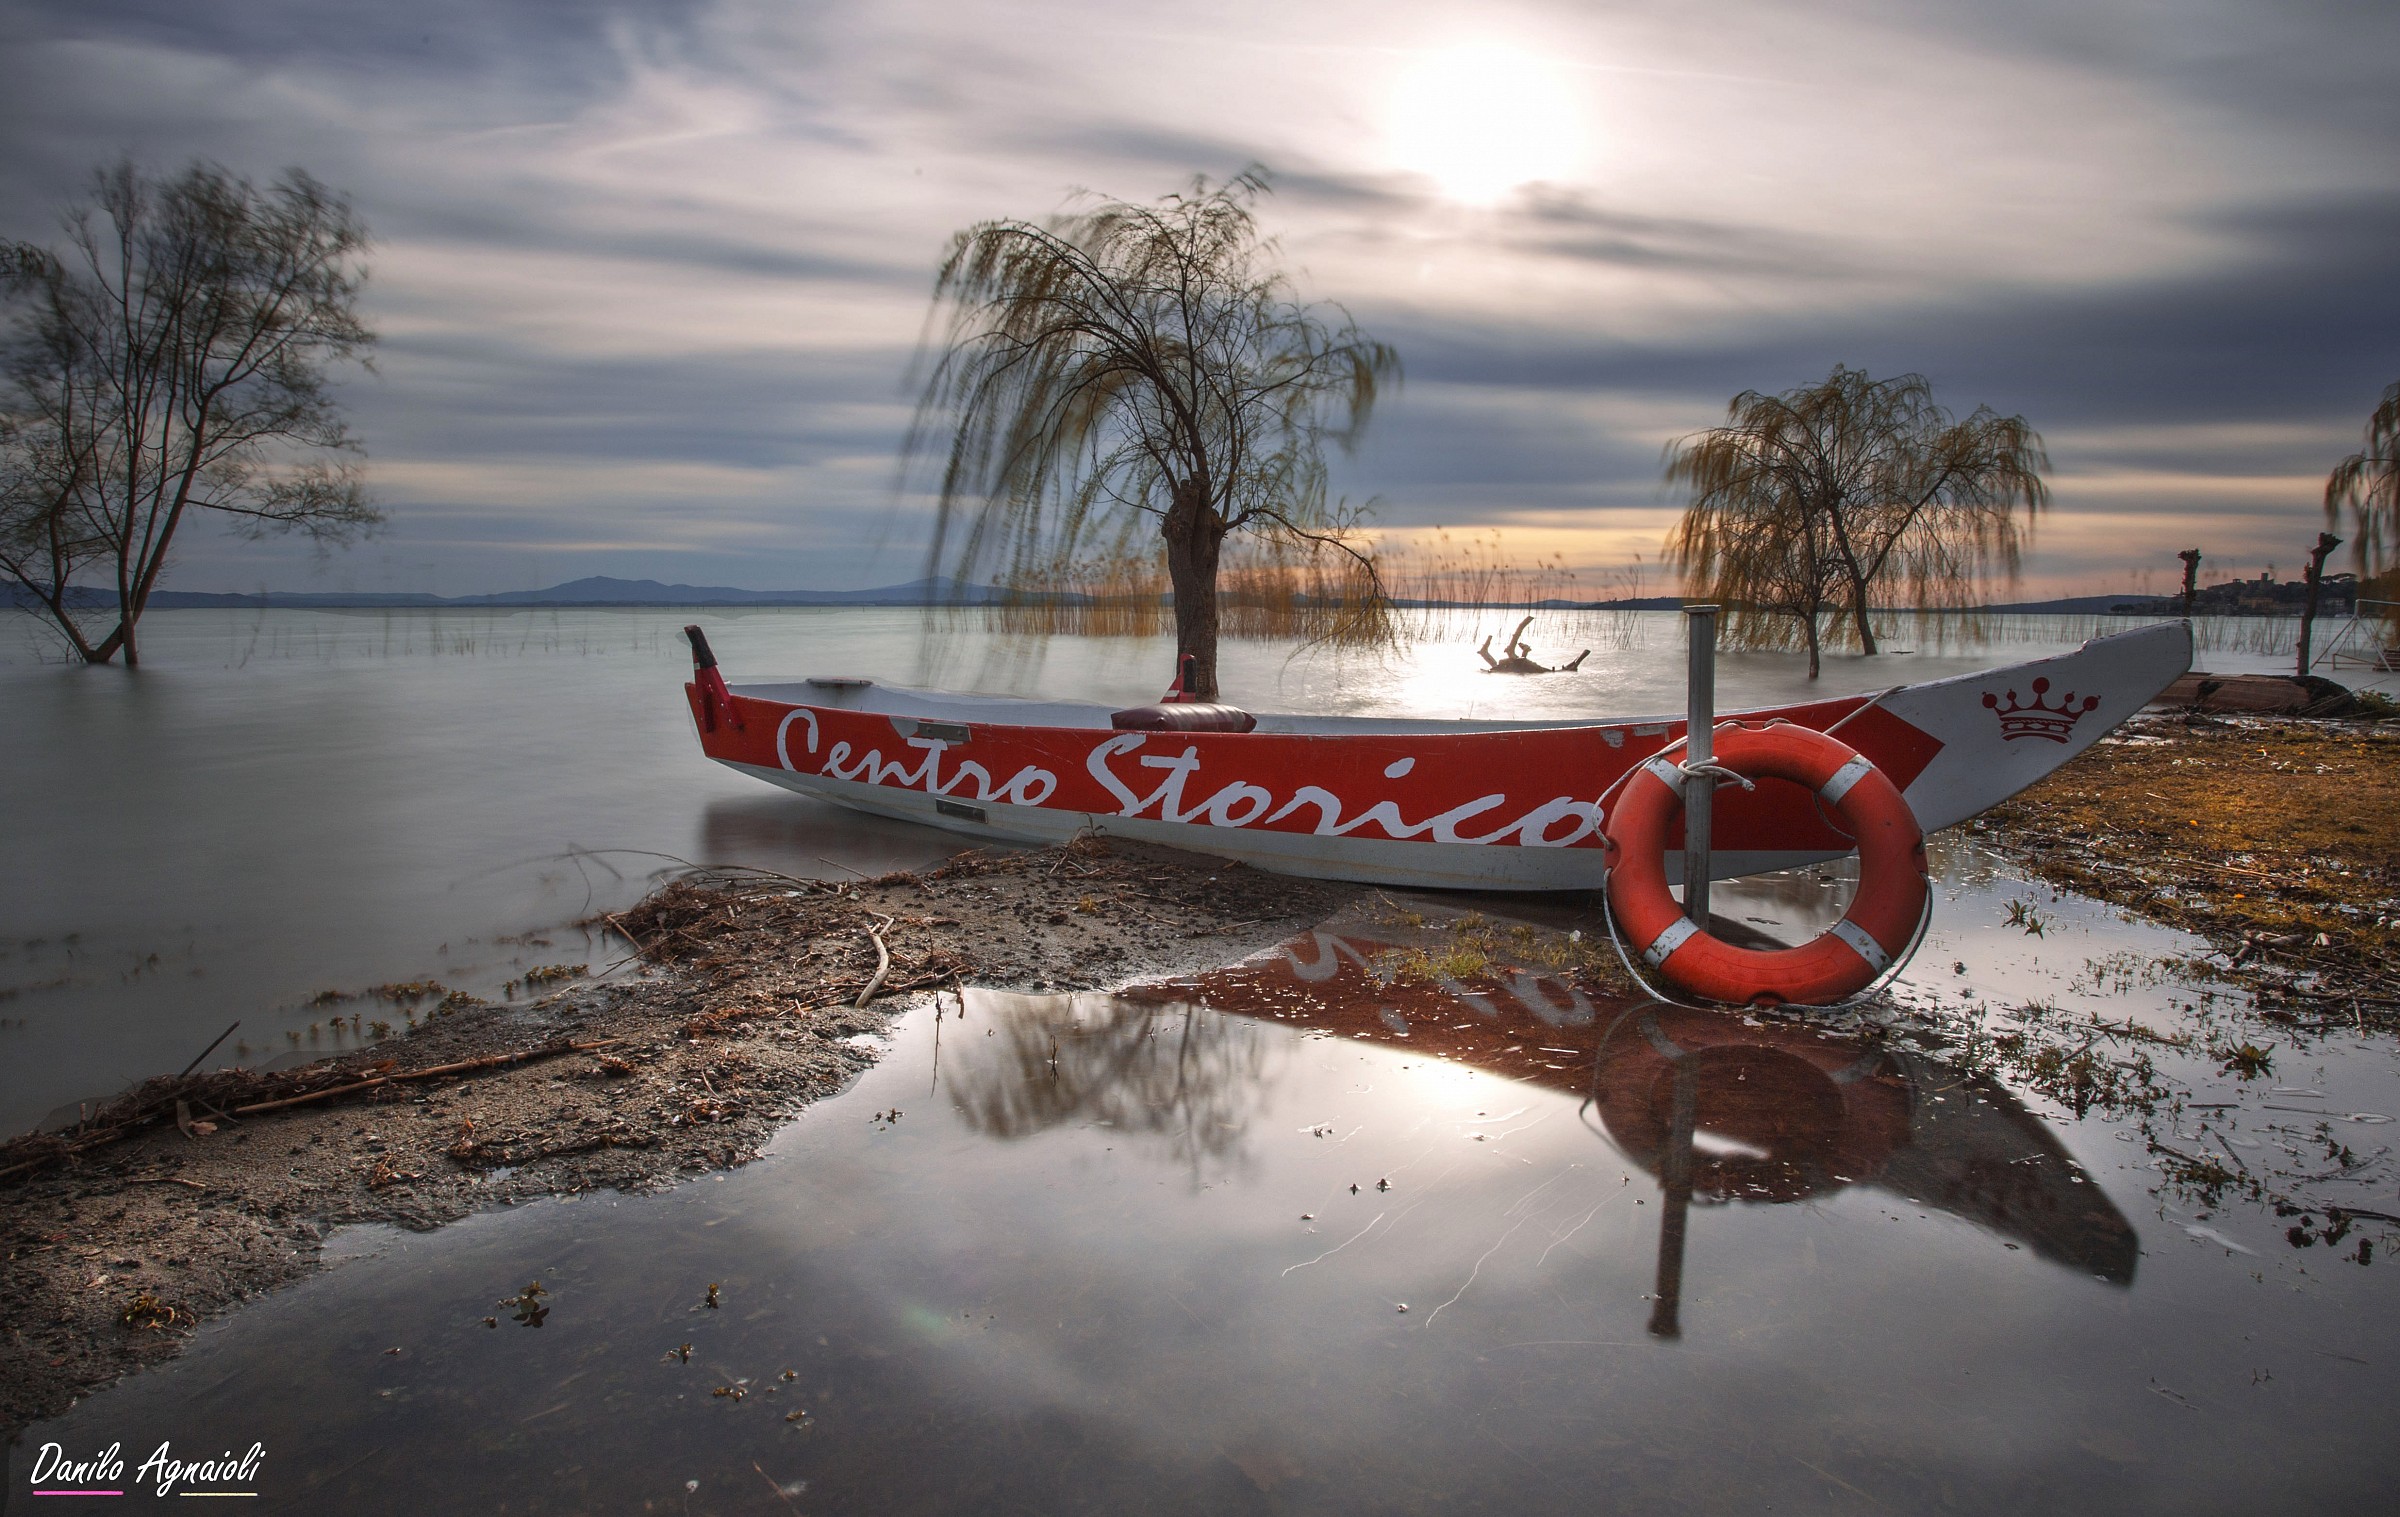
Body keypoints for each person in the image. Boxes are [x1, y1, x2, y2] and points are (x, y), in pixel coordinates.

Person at [1476, 615, 1587, 674]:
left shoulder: (1517, 663)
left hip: (1522, 664)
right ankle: (1486, 652)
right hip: (1520, 664)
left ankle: (1487, 653)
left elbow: (1519, 662)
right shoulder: (1511, 664)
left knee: (1515, 661)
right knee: (1513, 661)